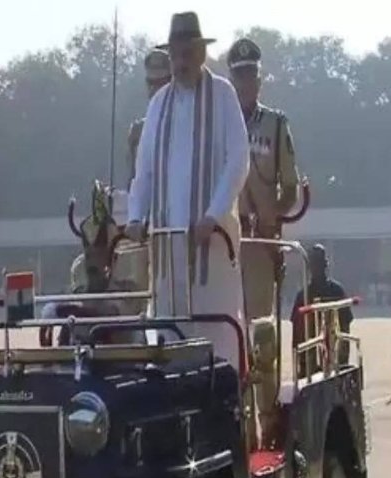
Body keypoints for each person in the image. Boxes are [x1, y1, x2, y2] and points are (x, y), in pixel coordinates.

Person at [126, 11, 250, 368]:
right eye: (176, 54)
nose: (181, 61)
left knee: (217, 335)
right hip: (168, 249)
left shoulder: (223, 95)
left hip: (212, 244)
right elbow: (144, 170)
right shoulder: (158, 104)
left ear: (200, 53)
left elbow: (237, 159)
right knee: (171, 334)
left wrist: (213, 214)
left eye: (187, 52)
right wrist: (136, 216)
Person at [228, 38, 301, 320]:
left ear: (260, 81)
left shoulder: (276, 124)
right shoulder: (217, 124)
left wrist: (275, 215)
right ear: (231, 80)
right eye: (240, 77)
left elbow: (292, 188)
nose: (246, 84)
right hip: (223, 240)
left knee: (259, 325)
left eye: (252, 76)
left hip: (260, 239)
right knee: (223, 323)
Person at [291, 244, 354, 373]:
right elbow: (296, 334)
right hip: (309, 362)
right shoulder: (303, 296)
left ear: (325, 266)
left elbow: (345, 330)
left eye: (318, 265)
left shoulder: (337, 291)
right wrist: (301, 364)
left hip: (334, 359)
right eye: (315, 265)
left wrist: (343, 362)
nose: (317, 269)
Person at [127, 49, 172, 187]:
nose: (154, 89)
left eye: (160, 83)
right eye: (150, 83)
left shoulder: (188, 125)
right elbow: (134, 182)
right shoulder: (138, 132)